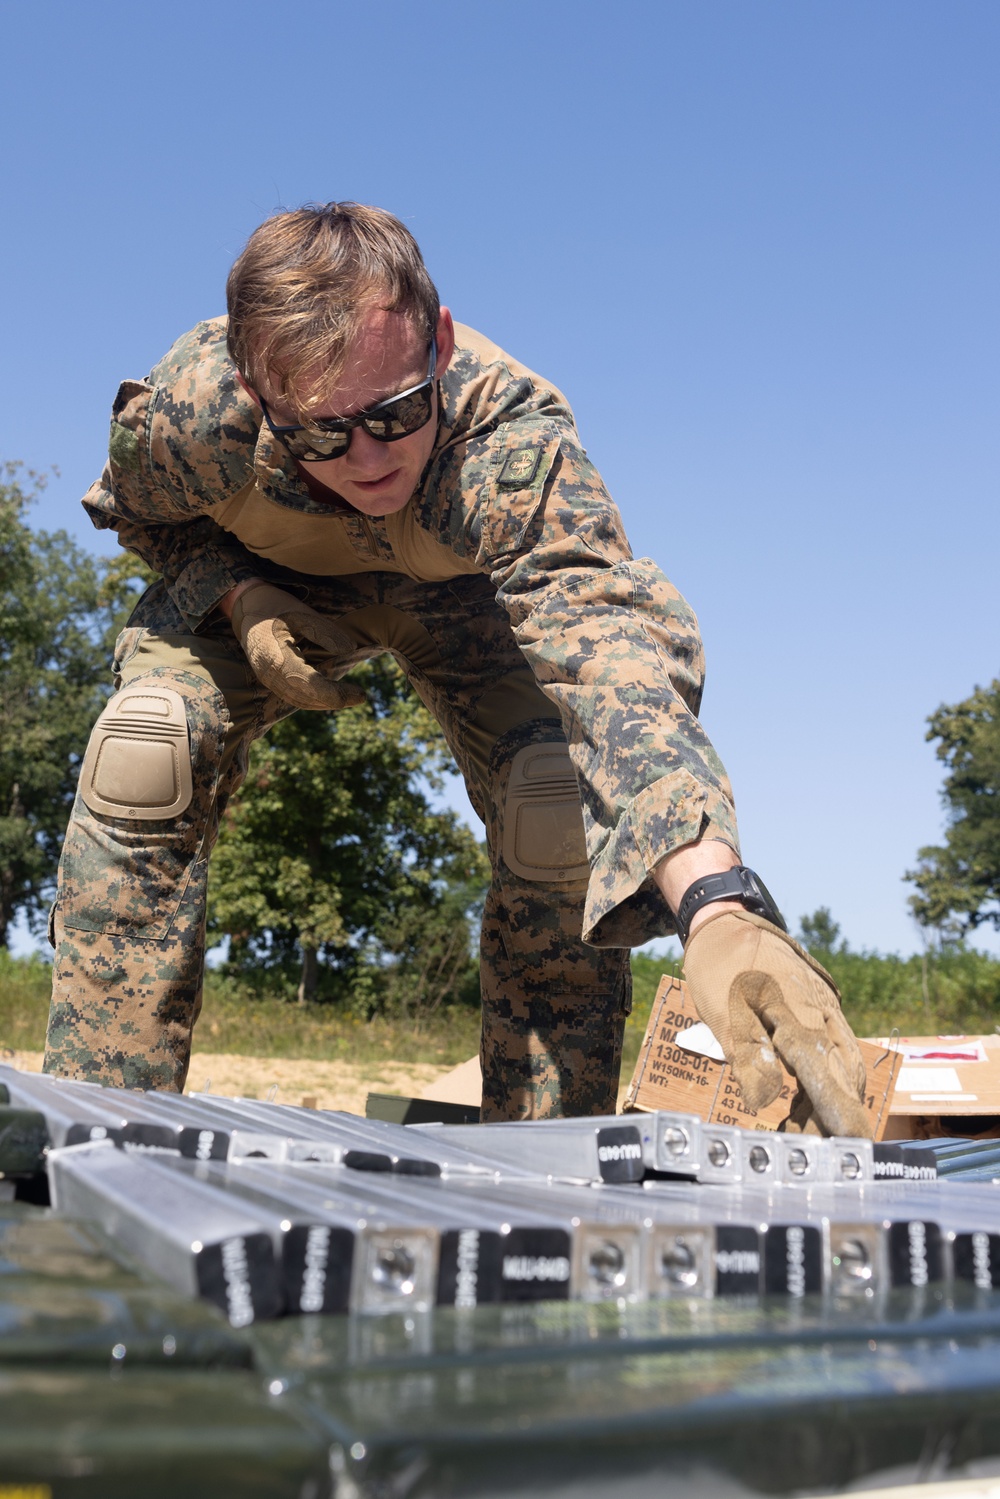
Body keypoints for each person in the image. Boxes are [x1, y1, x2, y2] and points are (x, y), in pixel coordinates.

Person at [42, 202, 869, 1135]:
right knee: (145, 751)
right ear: (255, 390)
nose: (367, 459)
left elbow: (604, 642)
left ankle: (545, 1153)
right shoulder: (195, 414)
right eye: (322, 433)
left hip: (464, 602)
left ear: (434, 342)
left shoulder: (508, 439)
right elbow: (143, 512)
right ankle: (103, 1140)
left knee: (551, 806)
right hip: (268, 584)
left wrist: (715, 902)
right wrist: (234, 594)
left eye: (396, 414)